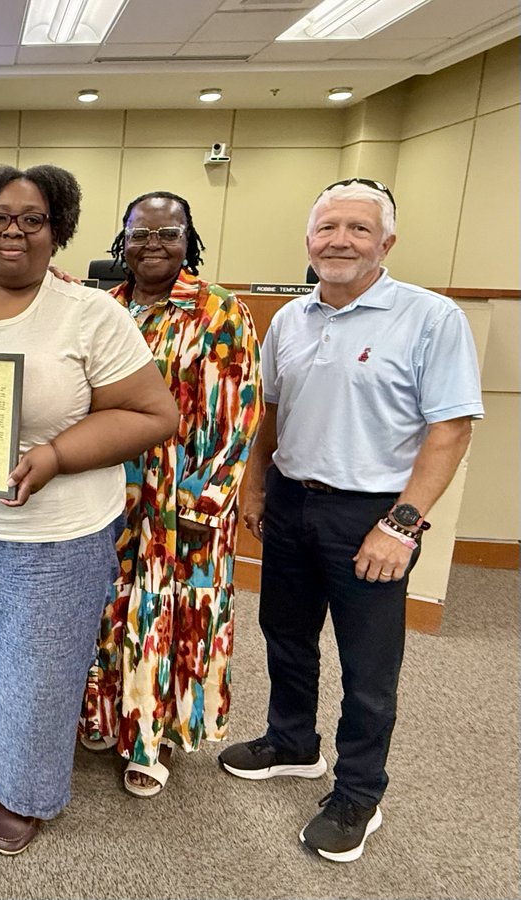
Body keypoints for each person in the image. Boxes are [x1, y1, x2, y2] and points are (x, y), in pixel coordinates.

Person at [0, 163, 179, 855]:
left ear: (59, 232)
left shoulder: (92, 314)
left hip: (54, 532)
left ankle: (25, 789)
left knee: (35, 671)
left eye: (32, 220)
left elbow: (154, 413)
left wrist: (53, 457)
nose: (12, 232)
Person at [218, 178, 482, 863]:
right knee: (285, 632)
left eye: (358, 229)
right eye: (328, 228)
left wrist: (403, 524)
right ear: (308, 242)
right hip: (291, 499)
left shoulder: (430, 318)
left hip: (372, 514)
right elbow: (269, 414)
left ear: (386, 242)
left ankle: (359, 793)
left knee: (369, 667)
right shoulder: (290, 319)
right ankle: (292, 742)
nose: (340, 240)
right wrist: (254, 486)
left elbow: (450, 431)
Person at [79, 191, 263, 797]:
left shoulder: (219, 313)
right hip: (106, 491)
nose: (152, 244)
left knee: (162, 615)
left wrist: (200, 504)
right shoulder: (102, 308)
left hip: (180, 502)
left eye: (167, 232)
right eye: (139, 233)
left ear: (189, 240)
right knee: (103, 608)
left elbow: (237, 421)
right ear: (120, 242)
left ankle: (148, 740)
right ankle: (104, 716)